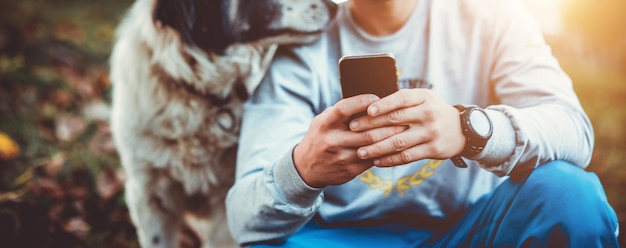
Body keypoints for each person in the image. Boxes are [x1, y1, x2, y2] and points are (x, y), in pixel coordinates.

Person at [226, 0, 620, 247]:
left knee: (569, 194)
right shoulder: (302, 35)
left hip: (466, 230)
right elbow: (245, 219)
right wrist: (302, 169)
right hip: (336, 237)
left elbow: (574, 131)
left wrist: (468, 129)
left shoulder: (491, 14)